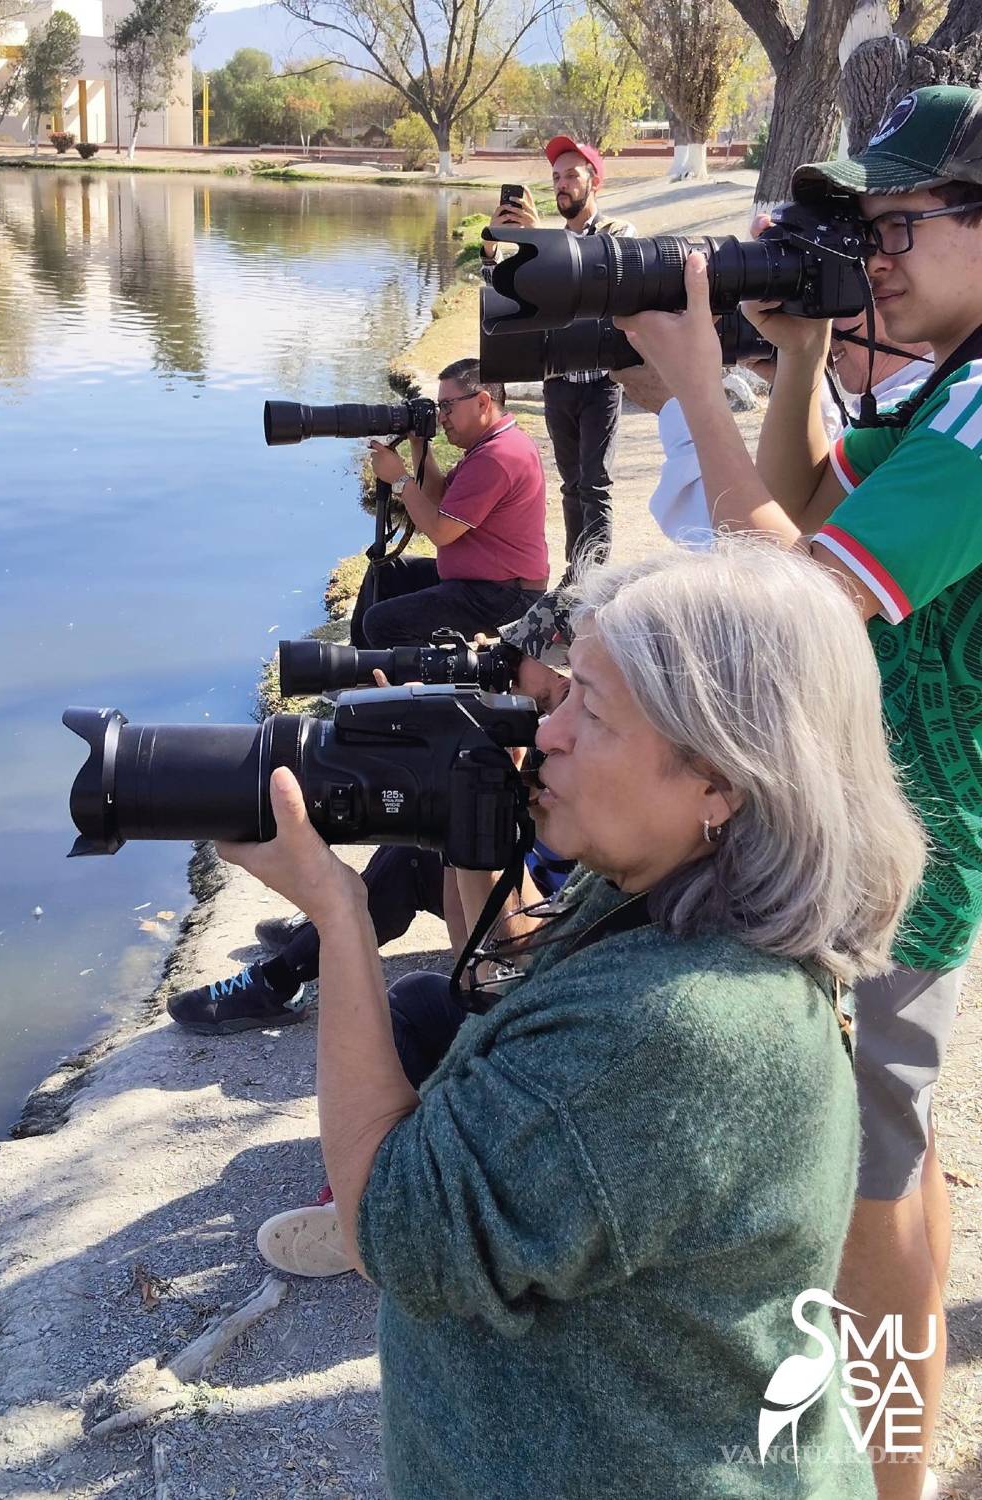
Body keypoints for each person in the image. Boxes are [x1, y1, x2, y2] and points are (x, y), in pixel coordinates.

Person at [217, 540, 925, 1500]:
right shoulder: (680, 902)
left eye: (589, 712)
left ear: (721, 778)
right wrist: (459, 825)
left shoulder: (681, 1028)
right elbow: (509, 1002)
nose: (548, 733)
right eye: (560, 699)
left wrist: (341, 921)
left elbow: (389, 1228)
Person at [615, 85, 982, 1500]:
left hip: (915, 852)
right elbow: (812, 510)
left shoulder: (976, 418)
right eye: (863, 226)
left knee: (868, 1196)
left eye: (902, 221)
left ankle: (889, 1488)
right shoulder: (948, 384)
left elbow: (793, 601)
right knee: (897, 1166)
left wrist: (692, 383)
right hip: (907, 829)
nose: (876, 251)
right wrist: (793, 360)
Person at [166, 590, 574, 1035]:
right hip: (521, 908)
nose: (542, 726)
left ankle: (278, 981)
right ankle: (318, 936)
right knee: (431, 834)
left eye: (552, 697)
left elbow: (504, 947)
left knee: (418, 854)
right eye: (511, 664)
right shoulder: (553, 743)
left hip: (547, 928)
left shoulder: (582, 774)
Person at [616, 313, 931, 545]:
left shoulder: (904, 421)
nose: (825, 325)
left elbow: (754, 556)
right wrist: (799, 380)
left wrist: (680, 401)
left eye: (843, 301)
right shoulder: (916, 398)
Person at [480, 137, 634, 569]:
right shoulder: (544, 242)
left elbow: (599, 282)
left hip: (602, 381)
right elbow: (500, 292)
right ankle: (575, 577)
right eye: (555, 178)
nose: (561, 185)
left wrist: (542, 240)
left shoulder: (618, 234)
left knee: (595, 486)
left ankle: (595, 584)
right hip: (557, 381)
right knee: (570, 486)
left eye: (571, 175)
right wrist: (494, 243)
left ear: (594, 182)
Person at [349, 358, 549, 649]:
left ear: (482, 402)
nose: (441, 417)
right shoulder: (493, 444)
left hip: (504, 596)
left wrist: (400, 480)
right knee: (387, 570)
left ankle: (415, 690)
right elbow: (440, 497)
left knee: (383, 622)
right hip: (484, 584)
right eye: (439, 406)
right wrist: (419, 444)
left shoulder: (498, 456)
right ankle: (358, 672)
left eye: (448, 406)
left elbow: (440, 530)